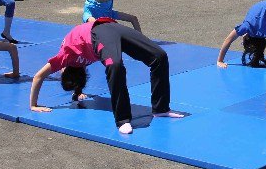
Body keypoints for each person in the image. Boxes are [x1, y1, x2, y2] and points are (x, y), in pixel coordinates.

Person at [28, 16, 186, 134]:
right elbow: (73, 79)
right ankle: (122, 119)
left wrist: (33, 105)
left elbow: (38, 76)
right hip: (105, 32)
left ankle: (160, 108)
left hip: (104, 28)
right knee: (115, 65)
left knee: (159, 56)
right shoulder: (79, 64)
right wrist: (78, 93)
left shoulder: (65, 57)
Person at [215, 0, 266, 69]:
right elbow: (228, 40)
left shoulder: (264, 33)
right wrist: (220, 60)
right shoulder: (248, 26)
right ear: (246, 38)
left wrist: (220, 61)